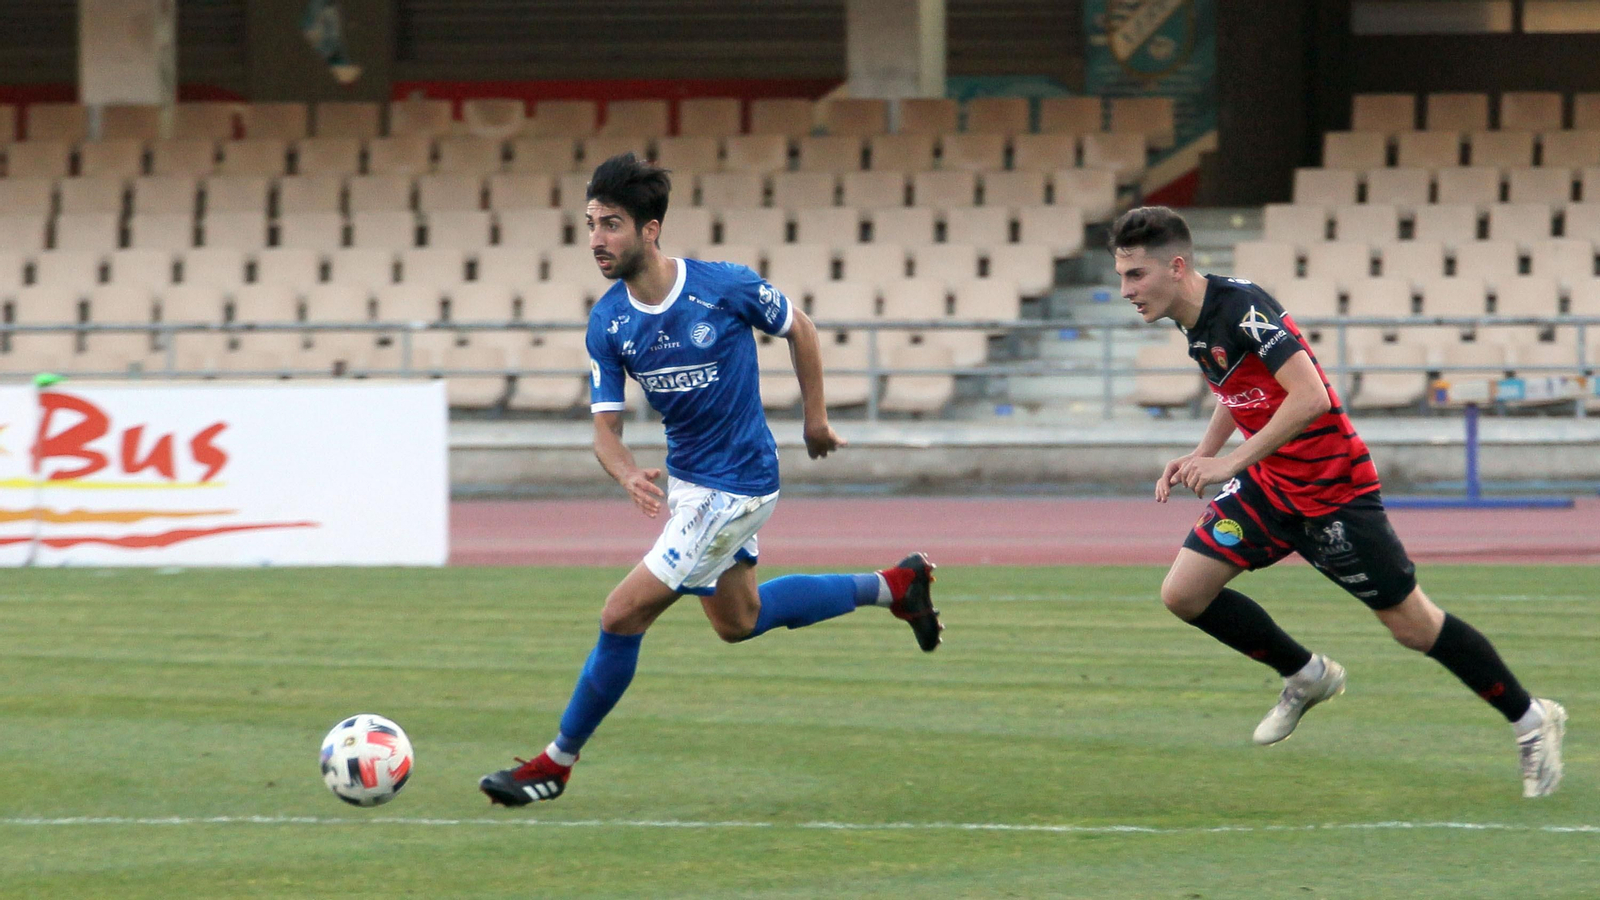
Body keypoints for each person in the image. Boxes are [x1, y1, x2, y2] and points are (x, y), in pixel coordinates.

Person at [479, 153, 943, 806]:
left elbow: (799, 328)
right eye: (589, 224)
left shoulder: (722, 287)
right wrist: (625, 476)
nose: (596, 241)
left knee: (620, 615)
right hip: (694, 486)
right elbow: (604, 432)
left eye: (611, 224)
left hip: (739, 486)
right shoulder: (608, 323)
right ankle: (895, 586)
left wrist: (815, 419)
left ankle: (556, 762)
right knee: (738, 620)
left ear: (650, 229)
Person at [1111, 205, 1565, 798]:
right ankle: (1306, 675)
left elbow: (1312, 398)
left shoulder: (1242, 308)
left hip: (1333, 492)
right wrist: (1202, 450)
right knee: (1184, 593)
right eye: (1122, 277)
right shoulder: (1190, 316)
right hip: (1271, 487)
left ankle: (1532, 721)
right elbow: (1238, 387)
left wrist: (1228, 464)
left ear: (1176, 267)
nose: (1126, 291)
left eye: (1135, 276)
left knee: (1413, 626)